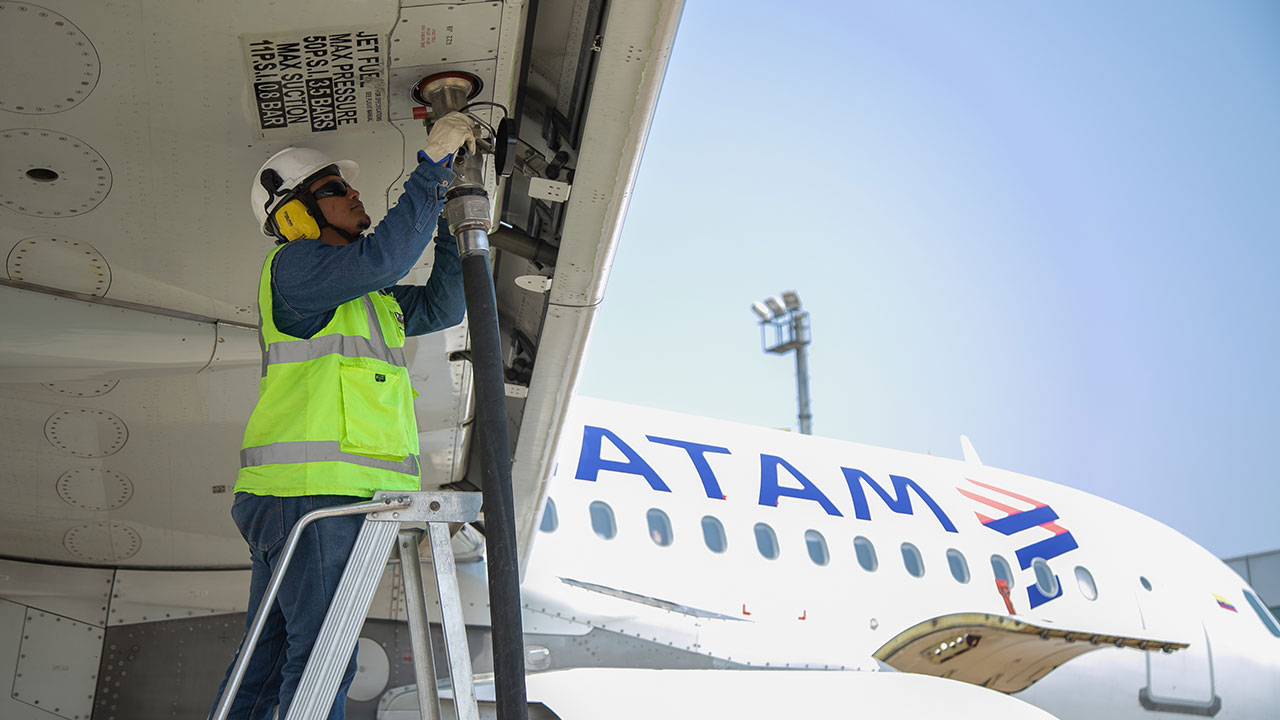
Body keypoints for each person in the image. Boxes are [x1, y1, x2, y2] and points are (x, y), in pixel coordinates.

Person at [210, 113, 477, 720]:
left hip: (321, 499)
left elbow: (442, 303)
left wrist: (452, 217)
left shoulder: (368, 300)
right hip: (313, 497)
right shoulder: (296, 270)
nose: (355, 195)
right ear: (298, 216)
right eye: (335, 189)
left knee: (269, 664)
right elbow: (386, 257)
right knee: (325, 662)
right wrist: (432, 170)